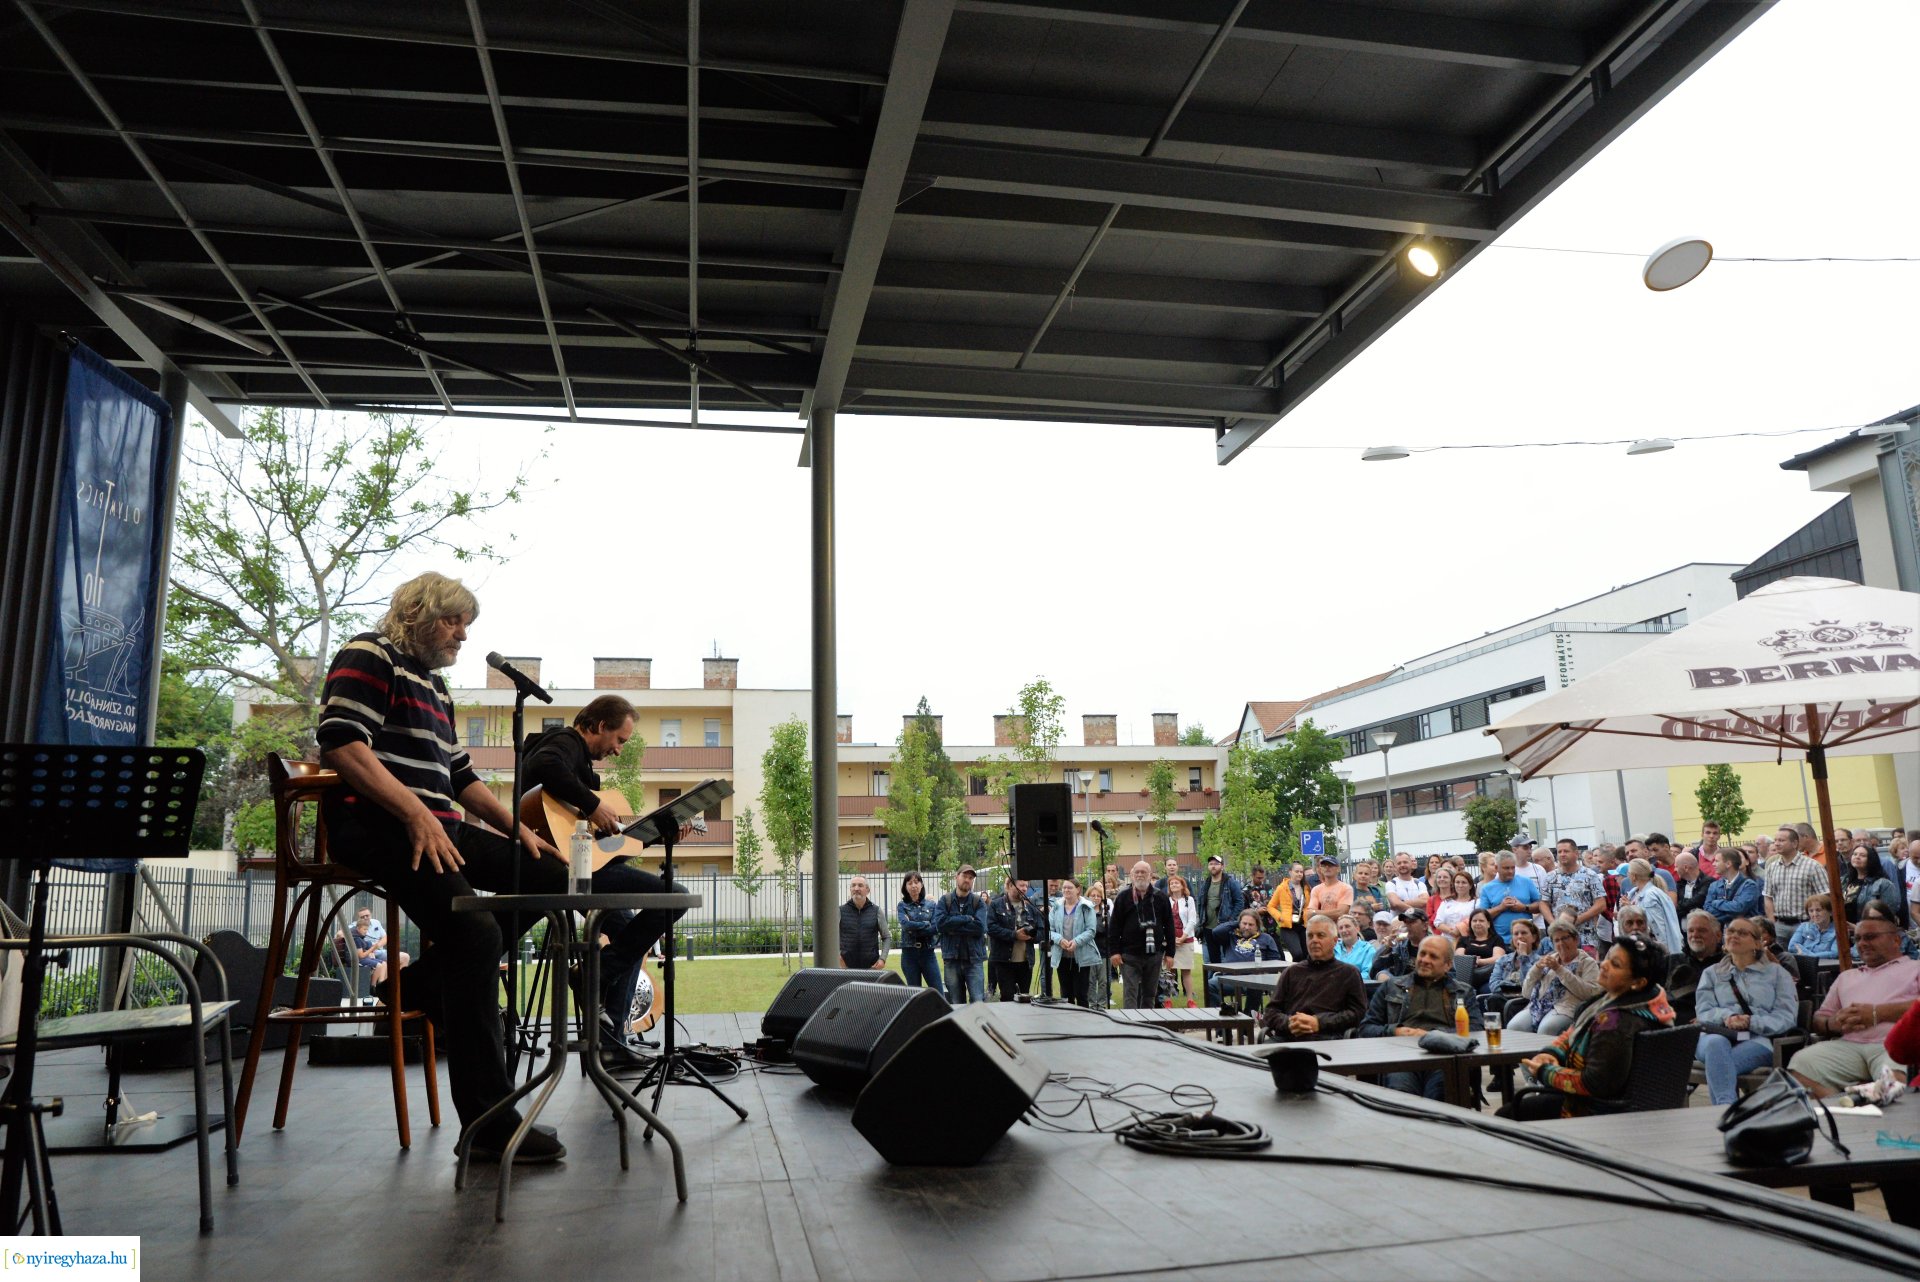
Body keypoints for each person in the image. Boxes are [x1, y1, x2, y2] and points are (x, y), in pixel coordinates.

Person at [316, 572, 567, 1163]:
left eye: (467, 625)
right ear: (418, 612)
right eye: (454, 621)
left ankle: (428, 983)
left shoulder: (436, 687)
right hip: (376, 824)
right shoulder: (369, 654)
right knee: (474, 933)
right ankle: (487, 1122)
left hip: (436, 827)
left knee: (548, 874)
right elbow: (342, 744)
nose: (462, 635)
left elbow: (461, 778)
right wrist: (412, 813)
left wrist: (521, 832)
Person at [519, 691, 695, 1049]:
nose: (619, 750)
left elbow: (608, 851)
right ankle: (595, 976)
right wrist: (594, 805)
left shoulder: (582, 772)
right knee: (676, 897)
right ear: (599, 725)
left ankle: (610, 1038)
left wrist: (658, 835)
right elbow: (540, 766)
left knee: (634, 936)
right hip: (568, 869)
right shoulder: (564, 741)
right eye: (619, 740)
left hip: (585, 867)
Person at [1505, 934, 1675, 1119]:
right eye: (1608, 958)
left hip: (1597, 1112)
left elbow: (1594, 1084)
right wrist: (1551, 1053)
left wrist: (1545, 1072)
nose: (1604, 965)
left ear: (1638, 982)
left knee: (1506, 1116)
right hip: (1614, 1104)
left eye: (1615, 964)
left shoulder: (1615, 1023)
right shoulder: (1640, 999)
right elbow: (1571, 1033)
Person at [1787, 913, 1920, 1098]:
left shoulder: (1915, 969)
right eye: (1857, 938)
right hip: (1849, 1045)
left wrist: (1876, 1013)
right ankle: (1849, 1109)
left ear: (1896, 940)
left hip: (1891, 1044)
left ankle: (1876, 1111)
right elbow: (1819, 1019)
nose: (1862, 943)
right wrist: (1833, 1023)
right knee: (1800, 1065)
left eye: (1870, 937)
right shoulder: (1847, 977)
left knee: (1892, 1080)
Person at [1693, 918, 1800, 1105]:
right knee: (1716, 1045)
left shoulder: (1776, 974)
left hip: (1757, 1038)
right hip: (1716, 1033)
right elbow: (1704, 1011)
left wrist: (1751, 1022)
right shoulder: (1711, 973)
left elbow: (1786, 1016)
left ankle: (1724, 1109)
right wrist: (1728, 1017)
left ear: (1757, 943)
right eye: (1731, 931)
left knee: (1720, 1066)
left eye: (1742, 933)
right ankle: (1729, 1110)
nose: (1734, 935)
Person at [1358, 935, 1481, 1099]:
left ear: (1447, 965)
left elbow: (1476, 1029)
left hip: (1445, 1057)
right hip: (1401, 1056)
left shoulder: (1463, 992)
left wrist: (1434, 1036)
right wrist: (1395, 1031)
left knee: (1439, 1096)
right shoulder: (1392, 987)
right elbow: (1366, 1028)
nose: (1425, 960)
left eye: (1433, 956)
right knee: (1403, 1097)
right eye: (1422, 954)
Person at [1260, 914, 1367, 1042]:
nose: (1314, 940)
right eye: (1310, 936)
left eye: (1320, 935)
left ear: (1334, 941)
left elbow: (1358, 1013)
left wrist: (1319, 1022)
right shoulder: (1291, 972)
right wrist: (1290, 1023)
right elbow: (1271, 1011)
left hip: (1328, 1038)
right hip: (1289, 1036)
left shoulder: (1348, 973)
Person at [1511, 918, 1602, 1036]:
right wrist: (1536, 968)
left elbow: (1590, 993)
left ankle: (1547, 1055)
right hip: (1538, 1006)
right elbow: (1526, 993)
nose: (1561, 943)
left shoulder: (1587, 962)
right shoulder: (1549, 959)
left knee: (1547, 1029)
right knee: (1514, 1027)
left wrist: (1559, 969)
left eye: (1565, 938)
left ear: (1576, 939)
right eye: (1557, 940)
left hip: (1567, 1009)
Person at [1110, 860, 1175, 1009]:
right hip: (1129, 955)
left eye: (1143, 872)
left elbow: (1169, 926)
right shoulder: (1123, 897)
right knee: (1130, 992)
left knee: (1150, 993)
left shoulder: (1161, 897)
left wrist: (1170, 953)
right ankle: (1131, 1028)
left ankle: (1148, 1026)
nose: (1140, 875)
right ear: (1131, 875)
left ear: (1150, 875)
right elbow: (1114, 927)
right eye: (1137, 872)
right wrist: (1114, 952)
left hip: (1154, 954)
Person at [934, 864, 990, 1004]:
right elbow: (940, 925)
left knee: (977, 1003)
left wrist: (952, 927)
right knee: (956, 1003)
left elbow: (980, 927)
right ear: (956, 877)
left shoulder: (979, 903)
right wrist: (966, 919)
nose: (967, 880)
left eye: (971, 878)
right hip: (952, 960)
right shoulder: (945, 901)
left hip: (974, 961)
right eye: (964, 876)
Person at [1538, 838, 1606, 952]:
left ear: (1576, 853)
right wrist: (1553, 923)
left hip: (1586, 936)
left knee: (1586, 967)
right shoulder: (1550, 877)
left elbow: (1601, 904)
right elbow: (1543, 903)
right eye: (1559, 852)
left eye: (1566, 851)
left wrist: (1578, 919)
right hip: (1559, 936)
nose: (1562, 854)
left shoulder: (1590, 875)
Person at [1762, 824, 1828, 933]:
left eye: (1781, 840)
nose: (1777, 844)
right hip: (1780, 926)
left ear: (1794, 843)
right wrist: (1772, 923)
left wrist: (1816, 921)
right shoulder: (1772, 867)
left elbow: (1825, 896)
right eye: (1775, 840)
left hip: (1806, 924)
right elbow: (1768, 897)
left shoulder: (1812, 866)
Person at [987, 876, 1044, 1002]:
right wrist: (1014, 935)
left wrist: (1031, 936)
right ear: (1009, 885)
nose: (1024, 889)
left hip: (1026, 962)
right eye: (1021, 885)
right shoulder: (996, 905)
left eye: (1026, 886)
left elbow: (1042, 932)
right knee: (1007, 998)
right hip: (1004, 962)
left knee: (1024, 999)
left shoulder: (1030, 907)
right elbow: (990, 928)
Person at [1207, 909, 1282, 1004]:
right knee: (1209, 985)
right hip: (1230, 978)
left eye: (1251, 925)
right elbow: (1216, 931)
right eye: (1244, 923)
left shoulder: (1266, 939)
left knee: (1256, 984)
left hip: (1254, 979)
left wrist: (1263, 973)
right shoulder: (1231, 936)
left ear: (1257, 926)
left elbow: (1275, 963)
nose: (1246, 927)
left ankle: (1249, 1016)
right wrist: (1236, 923)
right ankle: (1219, 1014)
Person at [1667, 911, 1724, 1023]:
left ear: (1718, 936)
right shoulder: (1670, 961)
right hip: (1668, 1026)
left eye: (1702, 930)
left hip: (1713, 1029)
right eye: (1691, 931)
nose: (1695, 935)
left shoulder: (1729, 965)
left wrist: (1711, 1019)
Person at [1049, 878, 1097, 1006]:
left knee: (1081, 995)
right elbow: (1049, 930)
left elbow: (1091, 930)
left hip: (1081, 958)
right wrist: (1059, 940)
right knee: (1065, 995)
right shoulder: (1056, 906)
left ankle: (1083, 1023)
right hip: (1062, 956)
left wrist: (1076, 942)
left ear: (1078, 890)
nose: (1066, 890)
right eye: (1064, 887)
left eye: (1069, 887)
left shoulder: (1086, 907)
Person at [1476, 852, 1542, 945]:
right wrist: (1501, 908)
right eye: (1506, 868)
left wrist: (1524, 907)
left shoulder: (1526, 882)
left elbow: (1541, 905)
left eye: (1513, 867)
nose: (1510, 871)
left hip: (1525, 939)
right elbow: (1482, 916)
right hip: (1500, 941)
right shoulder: (1487, 888)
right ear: (1496, 868)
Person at [895, 872, 943, 997]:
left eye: (916, 882)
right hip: (909, 955)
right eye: (910, 883)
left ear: (921, 885)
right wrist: (925, 924)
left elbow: (935, 927)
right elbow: (905, 924)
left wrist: (914, 926)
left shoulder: (931, 905)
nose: (913, 886)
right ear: (905, 887)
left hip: (928, 953)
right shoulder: (902, 905)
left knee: (938, 992)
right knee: (914, 995)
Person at [1624, 858, 1683, 954]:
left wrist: (1663, 953)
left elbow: (1657, 927)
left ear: (1634, 876)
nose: (1627, 876)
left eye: (1628, 873)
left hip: (1656, 950)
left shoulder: (1650, 896)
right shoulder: (1635, 893)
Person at [1194, 855, 1245, 965]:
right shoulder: (1205, 884)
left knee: (1226, 960)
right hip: (1208, 927)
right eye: (1211, 864)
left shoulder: (1230, 882)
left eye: (1216, 864)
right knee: (1213, 961)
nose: (1213, 866)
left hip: (1224, 927)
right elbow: (1200, 902)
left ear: (1222, 866)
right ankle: (1214, 982)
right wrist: (1201, 920)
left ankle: (1225, 982)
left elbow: (1239, 902)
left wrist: (1231, 920)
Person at [1485, 917, 1542, 1007]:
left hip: (1528, 1003)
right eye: (1516, 934)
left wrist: (1523, 957)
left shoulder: (1540, 962)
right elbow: (1493, 985)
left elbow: (1529, 986)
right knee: (1494, 999)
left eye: (1524, 933)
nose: (1519, 936)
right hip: (1502, 1000)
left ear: (1533, 938)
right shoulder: (1502, 960)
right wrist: (1516, 986)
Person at [1702, 846, 1763, 925]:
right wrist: (1732, 913)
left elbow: (1739, 908)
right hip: (1723, 933)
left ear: (1728, 864)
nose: (1713, 864)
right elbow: (1707, 910)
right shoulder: (1714, 886)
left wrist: (1716, 903)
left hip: (1745, 931)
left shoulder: (1749, 885)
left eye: (1717, 861)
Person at [1841, 842, 1899, 924]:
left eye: (1862, 855)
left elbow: (1888, 916)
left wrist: (1858, 928)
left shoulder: (1883, 884)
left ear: (1871, 860)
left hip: (1870, 931)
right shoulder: (1844, 881)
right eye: (1855, 854)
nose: (1857, 857)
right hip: (1845, 932)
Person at [838, 876, 889, 971]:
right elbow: (831, 937)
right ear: (850, 889)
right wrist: (839, 958)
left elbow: (886, 937)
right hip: (846, 968)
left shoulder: (876, 911)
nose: (856, 888)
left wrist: (882, 959)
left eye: (860, 885)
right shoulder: (840, 911)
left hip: (871, 968)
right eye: (853, 885)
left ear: (867, 890)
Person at [350, 906, 408, 988]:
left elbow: (385, 937)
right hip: (368, 953)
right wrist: (369, 951)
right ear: (358, 918)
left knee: (405, 957)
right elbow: (341, 933)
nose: (365, 918)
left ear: (370, 914)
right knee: (384, 964)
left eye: (367, 915)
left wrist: (378, 945)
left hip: (379, 951)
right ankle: (385, 987)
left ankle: (396, 985)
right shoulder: (355, 925)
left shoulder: (376, 922)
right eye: (362, 917)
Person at [1369, 908, 1430, 980]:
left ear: (1425, 926)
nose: (1407, 925)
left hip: (1428, 985)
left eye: (1412, 922)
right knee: (1382, 975)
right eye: (1405, 922)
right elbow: (1375, 967)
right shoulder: (1400, 945)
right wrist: (1388, 946)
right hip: (1402, 985)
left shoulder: (1436, 945)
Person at [1165, 873, 1199, 1003]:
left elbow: (1192, 920)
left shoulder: (1188, 900)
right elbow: (1163, 921)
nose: (1174, 885)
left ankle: (1190, 999)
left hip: (1185, 940)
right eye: (1171, 883)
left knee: (1186, 971)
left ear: (1182, 885)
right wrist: (1170, 939)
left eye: (1176, 883)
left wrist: (1183, 936)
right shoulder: (1166, 900)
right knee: (1169, 972)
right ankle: (1168, 999)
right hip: (1170, 940)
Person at [1264, 868, 1307, 963]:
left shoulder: (1306, 888)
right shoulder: (1282, 888)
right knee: (1297, 953)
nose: (1299, 874)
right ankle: (1295, 973)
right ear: (1290, 872)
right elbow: (1270, 906)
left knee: (1306, 954)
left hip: (1303, 924)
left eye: (1301, 872)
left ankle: (1303, 974)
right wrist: (1280, 916)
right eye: (1297, 871)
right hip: (1288, 926)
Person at [1083, 880, 1113, 1008]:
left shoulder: (1105, 913)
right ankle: (1091, 1003)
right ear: (1088, 896)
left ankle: (1101, 1004)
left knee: (1103, 981)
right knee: (1090, 981)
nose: (1096, 898)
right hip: (1088, 951)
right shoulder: (1084, 912)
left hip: (1104, 951)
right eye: (1093, 895)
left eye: (1098, 896)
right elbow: (1091, 931)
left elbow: (1108, 930)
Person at [1457, 908, 1505, 990]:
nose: (1477, 923)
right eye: (1474, 921)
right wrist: (1473, 961)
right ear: (1470, 924)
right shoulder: (1463, 940)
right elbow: (1459, 957)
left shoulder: (1497, 939)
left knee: (1486, 990)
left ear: (1488, 924)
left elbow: (1499, 958)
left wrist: (1479, 961)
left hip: (1489, 977)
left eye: (1481, 921)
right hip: (1466, 976)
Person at [1786, 893, 1839, 959]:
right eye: (1811, 911)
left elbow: (1835, 953)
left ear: (1830, 912)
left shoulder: (1838, 931)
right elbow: (1792, 946)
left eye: (1818, 910)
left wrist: (1809, 955)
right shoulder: (1803, 926)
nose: (1815, 914)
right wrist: (1811, 955)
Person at [1672, 851, 1716, 922]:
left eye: (1676, 866)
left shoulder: (1709, 882)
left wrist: (1680, 906)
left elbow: (1697, 902)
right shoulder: (1679, 884)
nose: (1675, 869)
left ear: (1686, 867)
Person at [1431, 869, 1473, 939]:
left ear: (1470, 885)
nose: (1460, 885)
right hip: (1447, 941)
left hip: (1468, 940)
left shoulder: (1477, 903)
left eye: (1464, 882)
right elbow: (1438, 922)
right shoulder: (1446, 902)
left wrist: (1459, 930)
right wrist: (1451, 931)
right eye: (1457, 882)